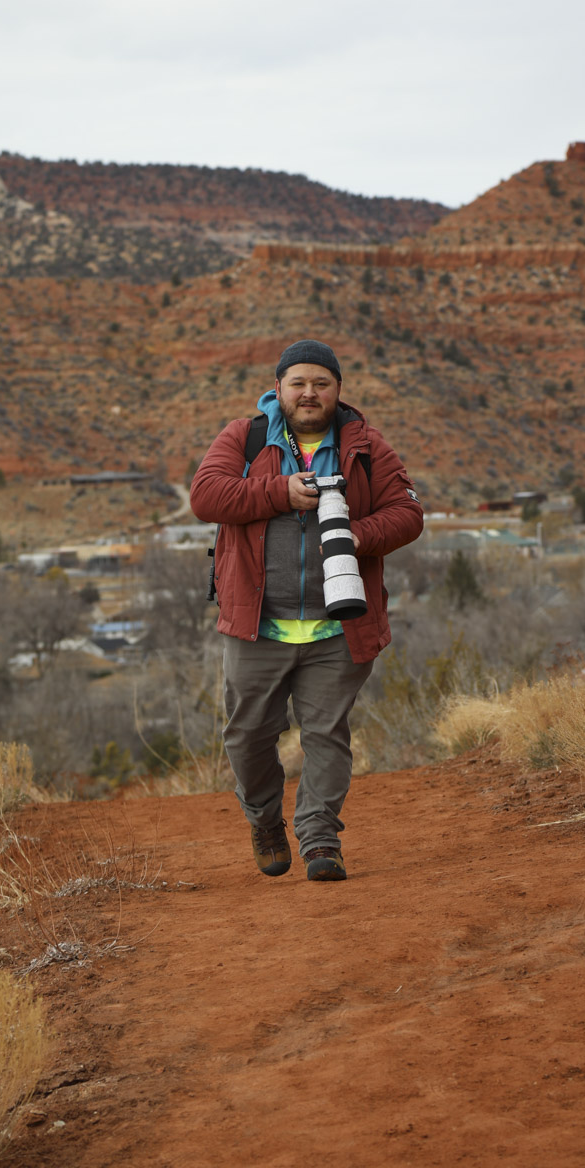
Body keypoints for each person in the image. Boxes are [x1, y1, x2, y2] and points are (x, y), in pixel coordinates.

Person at [190, 339, 423, 881]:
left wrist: (349, 534)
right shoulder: (245, 437)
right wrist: (279, 493)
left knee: (325, 733)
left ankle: (320, 837)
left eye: (321, 383)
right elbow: (206, 496)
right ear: (279, 389)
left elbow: (408, 515)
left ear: (338, 390)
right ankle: (266, 820)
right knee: (248, 737)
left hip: (339, 625)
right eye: (298, 383)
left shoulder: (365, 444)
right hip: (256, 625)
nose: (309, 392)